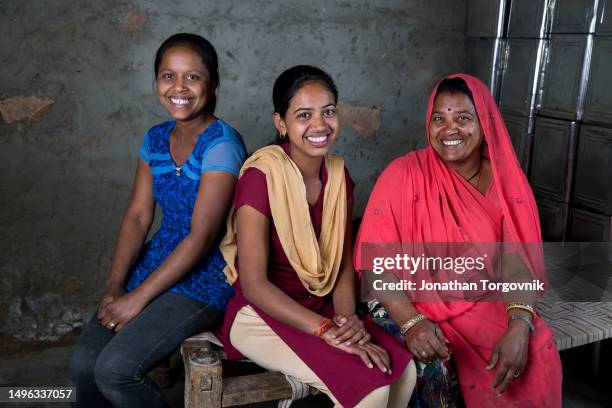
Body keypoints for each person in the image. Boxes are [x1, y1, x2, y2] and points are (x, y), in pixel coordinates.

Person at [354, 74, 562, 407]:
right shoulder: (404, 173)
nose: (449, 129)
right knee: (432, 365)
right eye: (439, 119)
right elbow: (376, 267)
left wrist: (520, 324)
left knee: (537, 347)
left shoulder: (505, 181)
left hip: (484, 297)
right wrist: (412, 322)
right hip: (409, 298)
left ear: (485, 124)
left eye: (463, 118)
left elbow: (516, 260)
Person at [217, 65, 416, 407]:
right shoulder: (260, 177)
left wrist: (347, 319)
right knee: (371, 388)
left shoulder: (338, 176)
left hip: (323, 309)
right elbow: (254, 285)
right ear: (281, 123)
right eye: (304, 115)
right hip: (261, 316)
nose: (320, 125)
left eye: (328, 112)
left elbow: (340, 264)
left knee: (405, 371)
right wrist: (327, 331)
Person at [69, 33, 247, 407]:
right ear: (157, 82)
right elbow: (137, 216)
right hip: (156, 262)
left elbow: (201, 237)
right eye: (168, 76)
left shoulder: (222, 145)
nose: (178, 87)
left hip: (206, 276)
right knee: (84, 364)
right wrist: (116, 285)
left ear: (213, 83)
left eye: (192, 77)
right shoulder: (155, 138)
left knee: (115, 370)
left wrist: (138, 299)